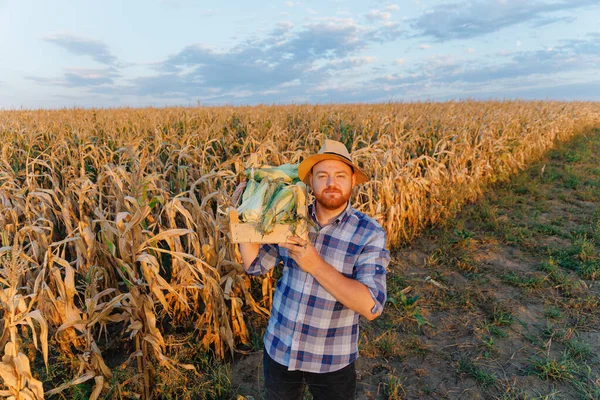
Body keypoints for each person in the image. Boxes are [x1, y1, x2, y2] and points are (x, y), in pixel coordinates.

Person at [239, 139, 390, 400]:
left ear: (353, 180)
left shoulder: (369, 233)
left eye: (340, 175)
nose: (331, 183)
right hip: (280, 348)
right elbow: (255, 265)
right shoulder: (289, 218)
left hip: (331, 359)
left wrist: (315, 265)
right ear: (311, 181)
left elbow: (371, 306)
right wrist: (243, 216)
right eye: (323, 175)